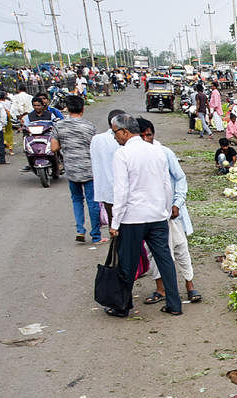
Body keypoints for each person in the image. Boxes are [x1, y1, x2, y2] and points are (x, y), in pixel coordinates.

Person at [107, 113, 181, 317]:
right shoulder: (156, 151)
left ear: (124, 131)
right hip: (157, 215)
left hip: (133, 217)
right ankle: (175, 304)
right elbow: (167, 185)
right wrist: (165, 210)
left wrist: (115, 222)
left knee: (127, 262)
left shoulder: (122, 155)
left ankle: (123, 306)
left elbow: (121, 191)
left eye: (115, 133)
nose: (115, 137)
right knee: (165, 259)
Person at [136, 118, 200, 305]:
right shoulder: (132, 156)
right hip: (150, 215)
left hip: (172, 214)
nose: (146, 139)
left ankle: (190, 285)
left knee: (181, 248)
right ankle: (160, 289)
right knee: (155, 252)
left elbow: (180, 179)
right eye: (142, 136)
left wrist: (176, 204)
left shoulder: (164, 153)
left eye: (148, 134)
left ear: (153, 134)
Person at [51, 95, 100, 243]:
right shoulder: (89, 126)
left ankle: (80, 230)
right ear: (83, 109)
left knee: (77, 200)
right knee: (92, 202)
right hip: (88, 169)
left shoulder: (59, 126)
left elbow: (54, 147)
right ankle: (96, 235)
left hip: (71, 168)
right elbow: (95, 147)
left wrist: (66, 144)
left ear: (67, 108)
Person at [90, 108, 126, 220]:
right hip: (122, 189)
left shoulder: (97, 139)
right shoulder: (123, 140)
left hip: (105, 189)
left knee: (112, 220)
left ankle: (113, 236)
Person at [0, 91, 14, 157]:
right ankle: (10, 149)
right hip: (8, 117)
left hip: (0, 119)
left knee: (2, 134)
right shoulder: (8, 102)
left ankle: (3, 147)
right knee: (9, 133)